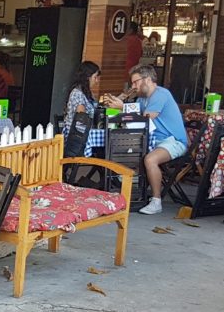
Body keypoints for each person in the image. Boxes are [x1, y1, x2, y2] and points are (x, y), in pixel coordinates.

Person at [102, 64, 187, 215]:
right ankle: (129, 193)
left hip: (173, 141)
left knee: (150, 160)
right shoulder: (142, 99)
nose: (134, 86)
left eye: (135, 82)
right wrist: (121, 102)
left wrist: (123, 107)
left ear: (147, 80)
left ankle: (156, 201)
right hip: (153, 140)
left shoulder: (161, 94)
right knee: (123, 152)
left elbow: (147, 118)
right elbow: (133, 117)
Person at [62, 61, 100, 133]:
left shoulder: (86, 93)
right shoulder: (77, 94)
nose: (97, 81)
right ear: (87, 77)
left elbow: (97, 109)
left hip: (83, 134)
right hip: (76, 136)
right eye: (95, 77)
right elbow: (81, 118)